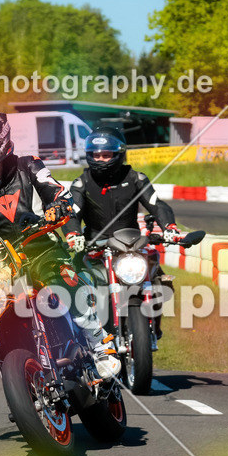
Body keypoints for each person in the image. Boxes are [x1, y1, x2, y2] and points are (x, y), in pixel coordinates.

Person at [0, 111, 120, 379]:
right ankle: (16, 377)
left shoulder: (29, 166)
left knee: (64, 279)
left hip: (43, 248)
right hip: (1, 263)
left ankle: (99, 345)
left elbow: (57, 192)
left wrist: (59, 207)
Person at [68, 126, 181, 337]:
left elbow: (157, 205)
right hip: (94, 250)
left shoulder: (136, 178)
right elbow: (72, 213)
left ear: (119, 154)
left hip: (132, 247)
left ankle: (153, 327)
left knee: (160, 281)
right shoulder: (81, 183)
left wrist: (169, 228)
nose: (100, 159)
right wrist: (73, 235)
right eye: (96, 155)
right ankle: (81, 336)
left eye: (106, 155)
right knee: (72, 287)